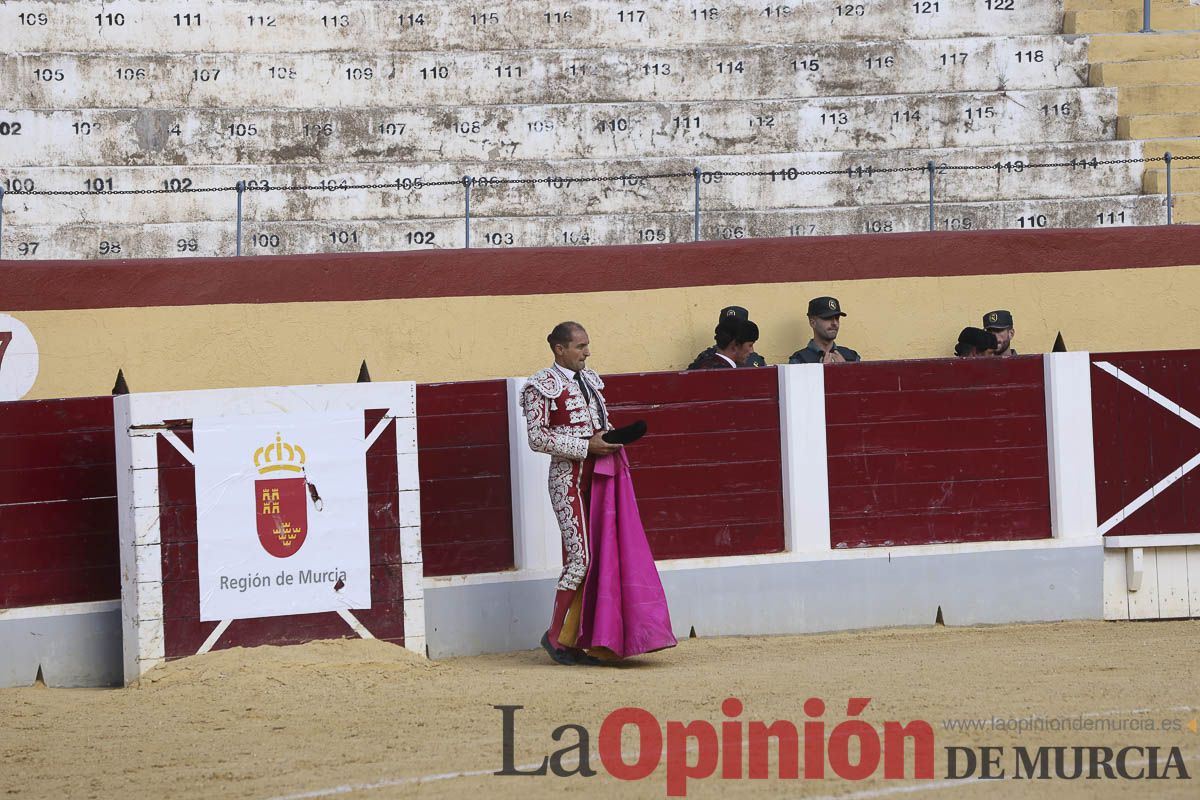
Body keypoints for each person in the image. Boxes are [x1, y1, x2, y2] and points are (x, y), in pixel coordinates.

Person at [521, 322, 675, 665]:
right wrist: (585, 446)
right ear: (559, 349)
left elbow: (599, 427)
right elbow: (537, 438)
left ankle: (582, 638)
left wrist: (614, 438)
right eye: (580, 346)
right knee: (581, 559)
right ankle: (555, 637)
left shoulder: (591, 380)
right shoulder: (539, 386)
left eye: (587, 345)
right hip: (568, 480)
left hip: (601, 478)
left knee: (601, 556)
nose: (587, 352)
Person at [687, 306, 767, 369]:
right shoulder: (729, 372)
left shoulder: (700, 364)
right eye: (750, 345)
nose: (751, 351)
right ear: (735, 345)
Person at [788, 296, 861, 364]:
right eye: (828, 318)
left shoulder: (852, 357)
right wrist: (823, 370)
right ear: (812, 323)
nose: (834, 323)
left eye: (837, 318)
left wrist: (846, 370)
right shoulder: (799, 360)